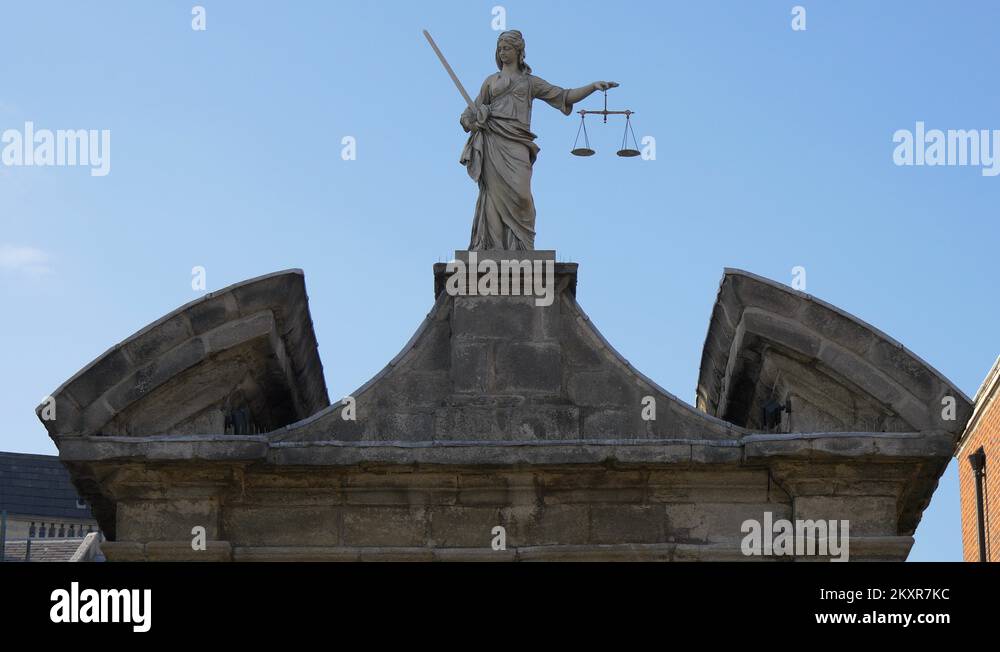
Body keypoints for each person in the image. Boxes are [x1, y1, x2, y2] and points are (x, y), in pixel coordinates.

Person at [460, 30, 617, 250]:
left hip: (517, 143)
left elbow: (563, 96)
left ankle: (521, 247)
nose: (502, 52)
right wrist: (476, 121)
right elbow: (467, 116)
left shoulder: (530, 83)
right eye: (500, 48)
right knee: (492, 197)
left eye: (507, 48)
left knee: (522, 197)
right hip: (493, 141)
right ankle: (492, 247)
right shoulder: (490, 82)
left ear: (519, 51)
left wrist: (592, 87)